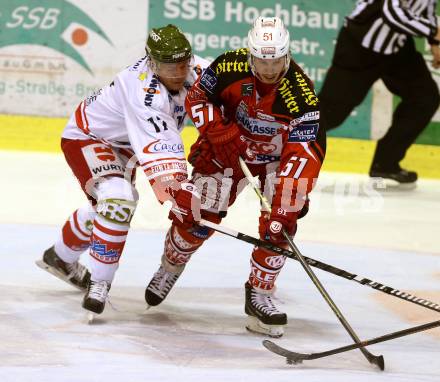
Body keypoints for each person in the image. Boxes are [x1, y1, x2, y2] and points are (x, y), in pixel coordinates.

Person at [144, 17, 326, 338]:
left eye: (276, 61)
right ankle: (171, 264)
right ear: (250, 54)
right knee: (197, 218)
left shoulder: (300, 93)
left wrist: (286, 204)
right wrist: (219, 132)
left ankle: (260, 294)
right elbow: (198, 97)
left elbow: (304, 154)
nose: (269, 69)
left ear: (288, 55)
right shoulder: (229, 65)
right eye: (261, 60)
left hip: (275, 162)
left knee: (280, 227)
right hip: (227, 151)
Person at [36, 25, 209, 315]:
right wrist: (178, 190)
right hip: (89, 137)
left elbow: (228, 75)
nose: (178, 72)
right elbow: (163, 145)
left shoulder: (196, 70)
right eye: (169, 66)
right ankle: (99, 283)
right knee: (118, 198)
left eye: (183, 63)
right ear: (153, 63)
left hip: (127, 146)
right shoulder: (142, 91)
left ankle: (60, 257)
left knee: (110, 209)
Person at [319, 0, 440, 184]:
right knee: (331, 112)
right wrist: (433, 31)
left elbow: (427, 7)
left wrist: (434, 41)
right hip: (360, 46)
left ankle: (385, 164)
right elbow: (391, 11)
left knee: (425, 98)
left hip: (397, 47)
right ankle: (276, 145)